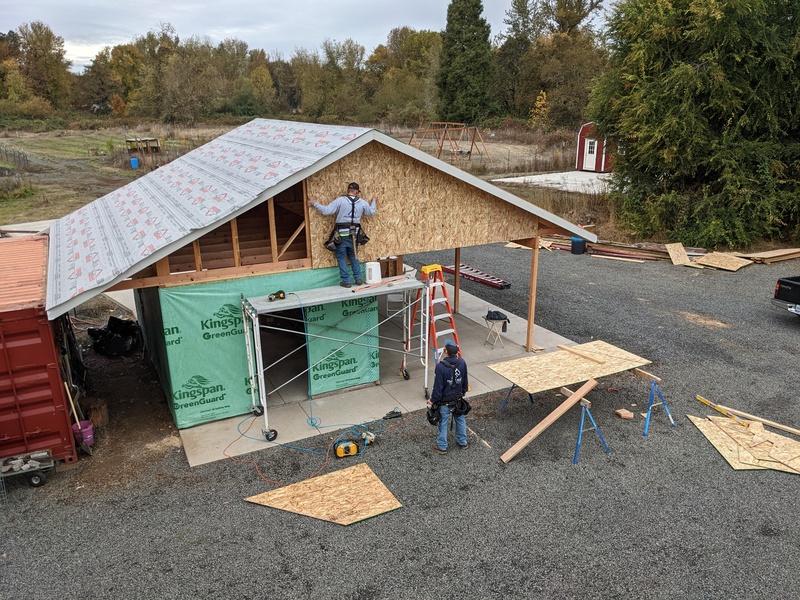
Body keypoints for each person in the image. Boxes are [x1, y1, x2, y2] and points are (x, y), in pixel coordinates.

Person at [307, 182, 377, 287]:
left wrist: (313, 203)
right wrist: (374, 201)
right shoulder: (362, 202)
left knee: (341, 257)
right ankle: (358, 278)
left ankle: (346, 281)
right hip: (355, 235)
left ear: (348, 190)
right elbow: (371, 212)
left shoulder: (340, 200)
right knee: (354, 256)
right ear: (357, 192)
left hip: (342, 235)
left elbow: (327, 211)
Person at [428, 340, 469, 454]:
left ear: (445, 351)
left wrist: (432, 400)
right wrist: (463, 391)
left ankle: (442, 446)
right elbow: (465, 379)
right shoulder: (462, 362)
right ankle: (463, 442)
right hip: (458, 398)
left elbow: (438, 387)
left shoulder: (440, 367)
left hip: (445, 401)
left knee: (443, 421)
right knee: (460, 419)